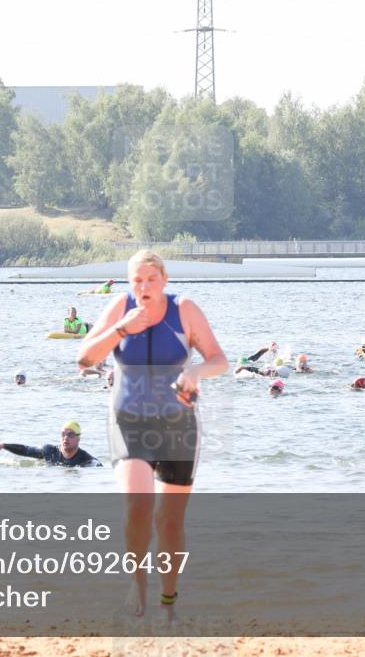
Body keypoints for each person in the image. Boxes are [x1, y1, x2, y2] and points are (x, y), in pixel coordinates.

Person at [76, 249, 227, 622]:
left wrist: (195, 373)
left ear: (164, 280)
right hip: (129, 422)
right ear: (130, 283)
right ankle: (137, 580)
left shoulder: (184, 309)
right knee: (138, 505)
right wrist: (122, 329)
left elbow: (218, 360)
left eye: (151, 279)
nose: (143, 286)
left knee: (169, 521)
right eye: (137, 280)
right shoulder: (120, 307)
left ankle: (168, 599)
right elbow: (85, 358)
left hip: (178, 425)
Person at [0, 421, 100, 467]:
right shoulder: (50, 451)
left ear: (78, 438)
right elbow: (26, 450)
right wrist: (3, 445)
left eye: (70, 435)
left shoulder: (86, 459)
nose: (66, 438)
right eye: (63, 434)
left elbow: (98, 467)